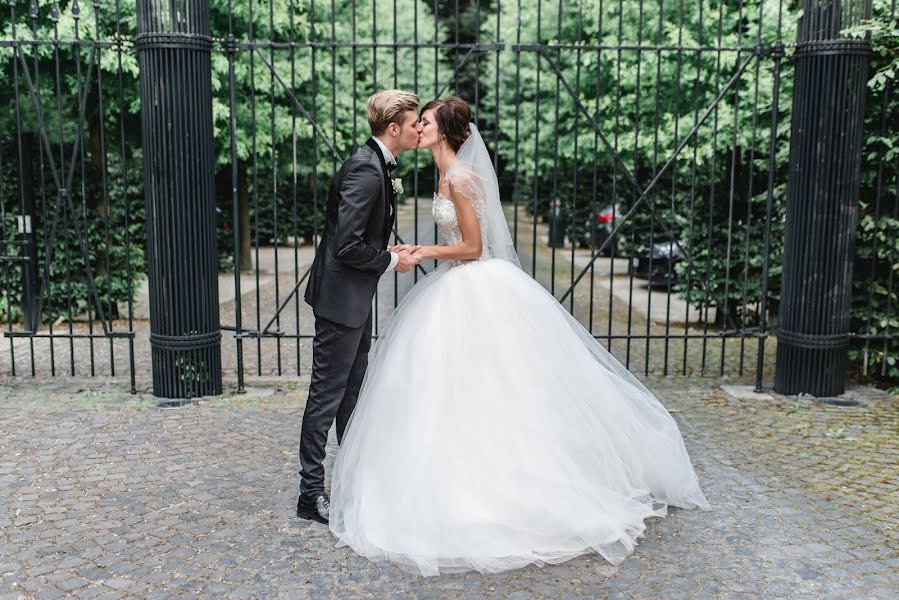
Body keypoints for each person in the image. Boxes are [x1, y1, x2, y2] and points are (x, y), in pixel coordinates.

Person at [328, 96, 710, 575]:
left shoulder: (461, 179)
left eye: (424, 122)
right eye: (416, 122)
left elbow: (474, 247)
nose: (417, 129)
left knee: (493, 384)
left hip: (474, 286)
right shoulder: (444, 175)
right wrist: (420, 249)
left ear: (443, 131)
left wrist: (425, 250)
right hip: (455, 288)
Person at [297, 90, 423, 524]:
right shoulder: (367, 172)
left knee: (351, 394)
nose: (418, 129)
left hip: (354, 299)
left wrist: (386, 249)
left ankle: (350, 481)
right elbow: (346, 245)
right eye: (413, 124)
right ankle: (309, 493)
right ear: (394, 129)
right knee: (326, 397)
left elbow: (356, 238)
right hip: (340, 302)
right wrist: (392, 260)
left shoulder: (376, 167)